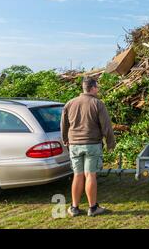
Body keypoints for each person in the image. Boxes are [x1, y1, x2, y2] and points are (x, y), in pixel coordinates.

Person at [61, 78, 115, 217]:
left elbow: (64, 125)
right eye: (97, 87)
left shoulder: (70, 103)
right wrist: (110, 143)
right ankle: (93, 207)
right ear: (92, 88)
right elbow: (106, 126)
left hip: (74, 145)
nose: (98, 89)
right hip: (92, 144)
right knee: (90, 175)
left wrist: (65, 139)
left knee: (77, 175)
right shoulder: (97, 103)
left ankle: (74, 208)